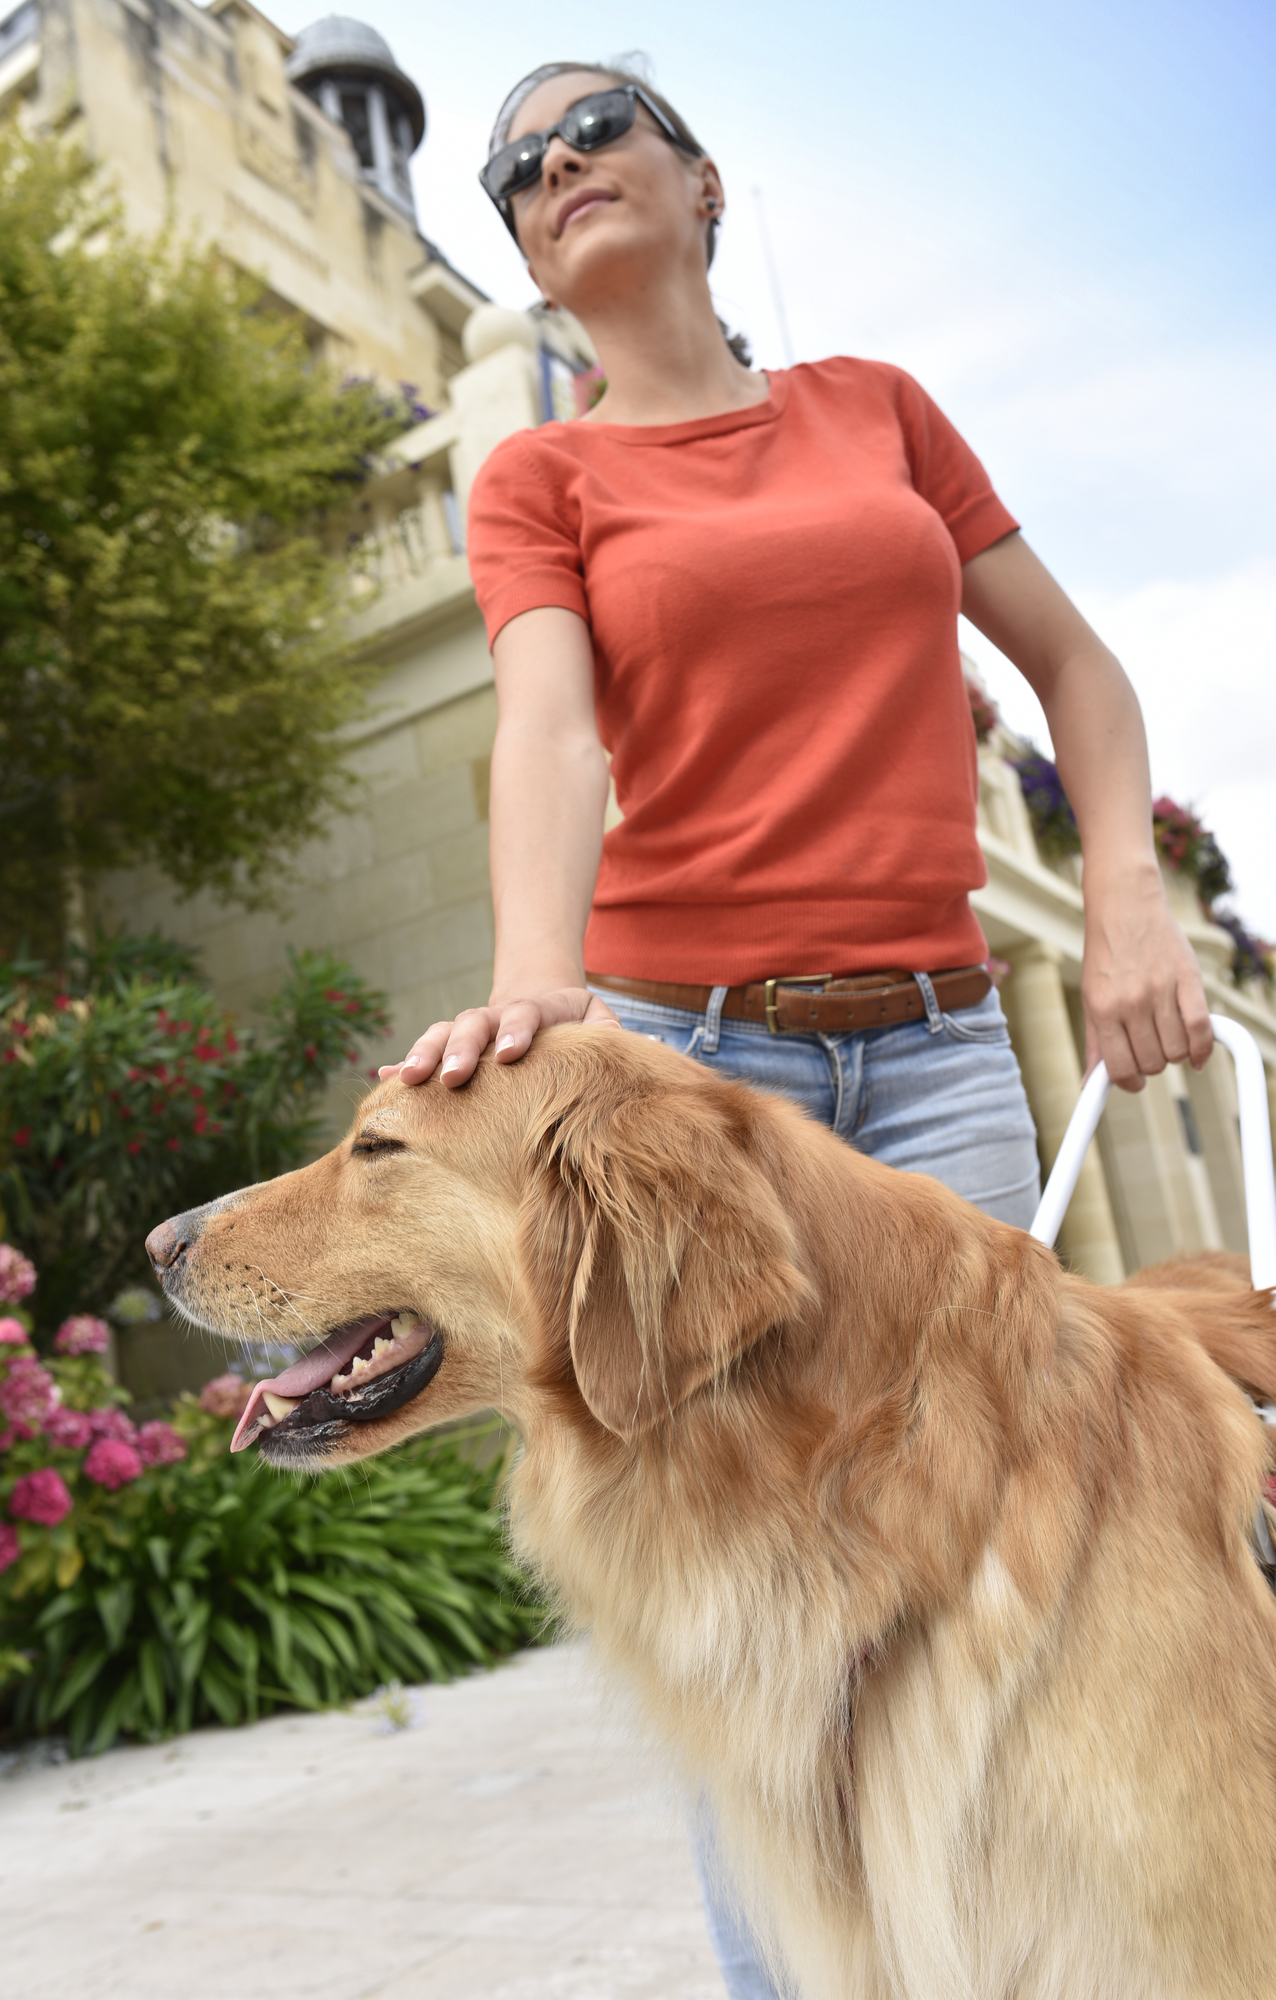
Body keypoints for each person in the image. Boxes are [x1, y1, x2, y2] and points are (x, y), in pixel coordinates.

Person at [383, 58, 1214, 1996]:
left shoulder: (873, 413)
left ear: (701, 179)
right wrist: (533, 975)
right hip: (707, 1069)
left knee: (996, 1557)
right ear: (520, 247)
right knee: (758, 1607)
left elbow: (1075, 670)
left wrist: (1118, 893)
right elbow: (552, 728)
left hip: (936, 1061)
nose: (553, 165)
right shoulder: (543, 476)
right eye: (514, 169)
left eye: (596, 127)